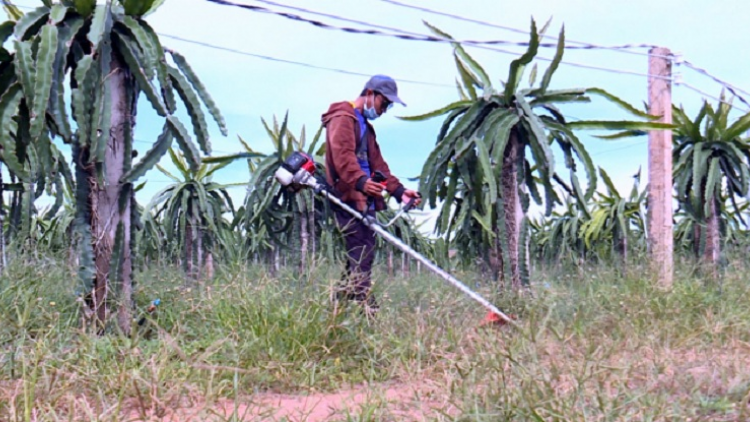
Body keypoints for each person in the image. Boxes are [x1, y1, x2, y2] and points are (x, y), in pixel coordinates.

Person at [321, 75, 421, 316]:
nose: (384, 110)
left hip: (365, 198)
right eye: (383, 103)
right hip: (348, 198)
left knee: (362, 251)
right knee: (360, 251)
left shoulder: (365, 127)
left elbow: (379, 166)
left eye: (388, 106)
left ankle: (340, 304)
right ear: (370, 94)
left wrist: (398, 191)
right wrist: (362, 182)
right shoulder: (343, 118)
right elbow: (342, 157)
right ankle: (366, 308)